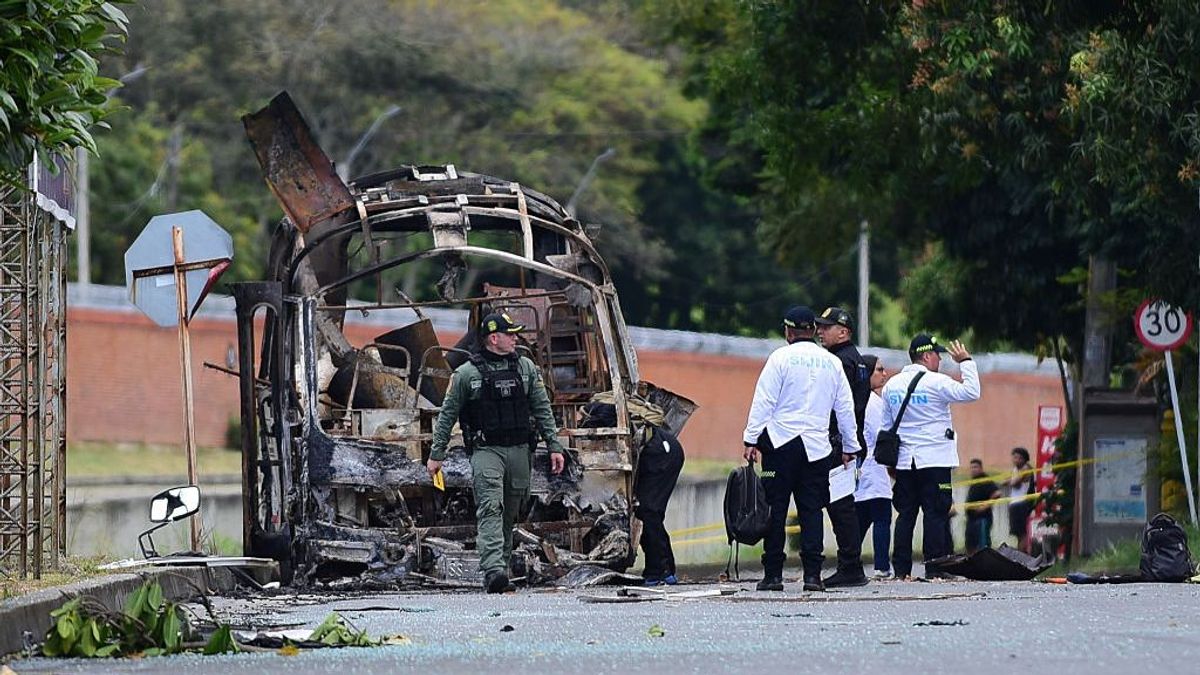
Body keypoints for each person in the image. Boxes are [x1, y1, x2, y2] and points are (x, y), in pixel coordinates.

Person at [427, 312, 566, 594]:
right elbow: (447, 415)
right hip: (486, 450)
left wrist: (554, 445)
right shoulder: (466, 374)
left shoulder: (526, 368)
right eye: (510, 333)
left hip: (519, 451)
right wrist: (436, 453)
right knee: (491, 505)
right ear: (494, 338)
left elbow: (542, 408)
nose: (515, 338)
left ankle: (500, 565)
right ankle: (493, 570)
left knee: (511, 510)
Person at [743, 306, 861, 592]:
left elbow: (764, 401)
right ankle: (812, 576)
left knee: (776, 511)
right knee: (812, 511)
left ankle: (773, 575)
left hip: (780, 446)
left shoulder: (779, 358)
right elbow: (845, 407)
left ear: (788, 331)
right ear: (812, 330)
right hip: (817, 449)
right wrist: (850, 445)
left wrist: (751, 439)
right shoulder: (831, 363)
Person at [882, 333, 980, 580]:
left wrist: (891, 463)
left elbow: (886, 426)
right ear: (926, 356)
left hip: (904, 462)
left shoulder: (891, 385)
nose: (940, 360)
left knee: (906, 515)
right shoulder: (936, 382)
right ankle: (936, 567)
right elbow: (972, 392)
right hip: (935, 460)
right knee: (936, 513)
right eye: (937, 354)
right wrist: (966, 361)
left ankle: (901, 570)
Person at [580, 402, 685, 586]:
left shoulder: (605, 417)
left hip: (664, 453)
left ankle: (660, 571)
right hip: (660, 452)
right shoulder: (602, 411)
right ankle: (663, 569)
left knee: (647, 510)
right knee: (649, 512)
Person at [814, 307, 871, 587]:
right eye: (819, 327)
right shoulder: (855, 360)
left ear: (844, 331)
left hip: (838, 444)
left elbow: (842, 407)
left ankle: (851, 566)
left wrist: (844, 442)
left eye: (826, 328)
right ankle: (850, 564)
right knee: (841, 505)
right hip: (847, 442)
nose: (820, 332)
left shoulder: (840, 362)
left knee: (840, 506)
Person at [854, 354, 893, 580]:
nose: (884, 373)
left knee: (860, 521)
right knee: (881, 518)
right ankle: (881, 566)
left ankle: (849, 561)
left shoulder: (856, 400)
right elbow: (882, 435)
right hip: (875, 468)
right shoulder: (874, 404)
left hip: (860, 471)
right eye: (879, 370)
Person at [964, 459, 1001, 554]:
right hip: (971, 519)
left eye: (976, 467)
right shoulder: (974, 481)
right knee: (970, 544)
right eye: (972, 467)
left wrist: (984, 507)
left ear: (981, 468)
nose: (973, 469)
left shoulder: (985, 480)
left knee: (983, 545)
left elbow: (997, 493)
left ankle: (985, 564)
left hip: (982, 519)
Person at [1004, 447, 1035, 552]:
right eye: (1015, 457)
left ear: (1025, 459)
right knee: (1018, 534)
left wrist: (1009, 481)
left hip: (1022, 504)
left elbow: (1014, 483)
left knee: (1023, 533)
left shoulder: (1026, 468)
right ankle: (1020, 555)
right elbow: (1008, 481)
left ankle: (1023, 556)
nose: (1016, 460)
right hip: (1015, 503)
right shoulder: (1015, 470)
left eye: (1019, 458)